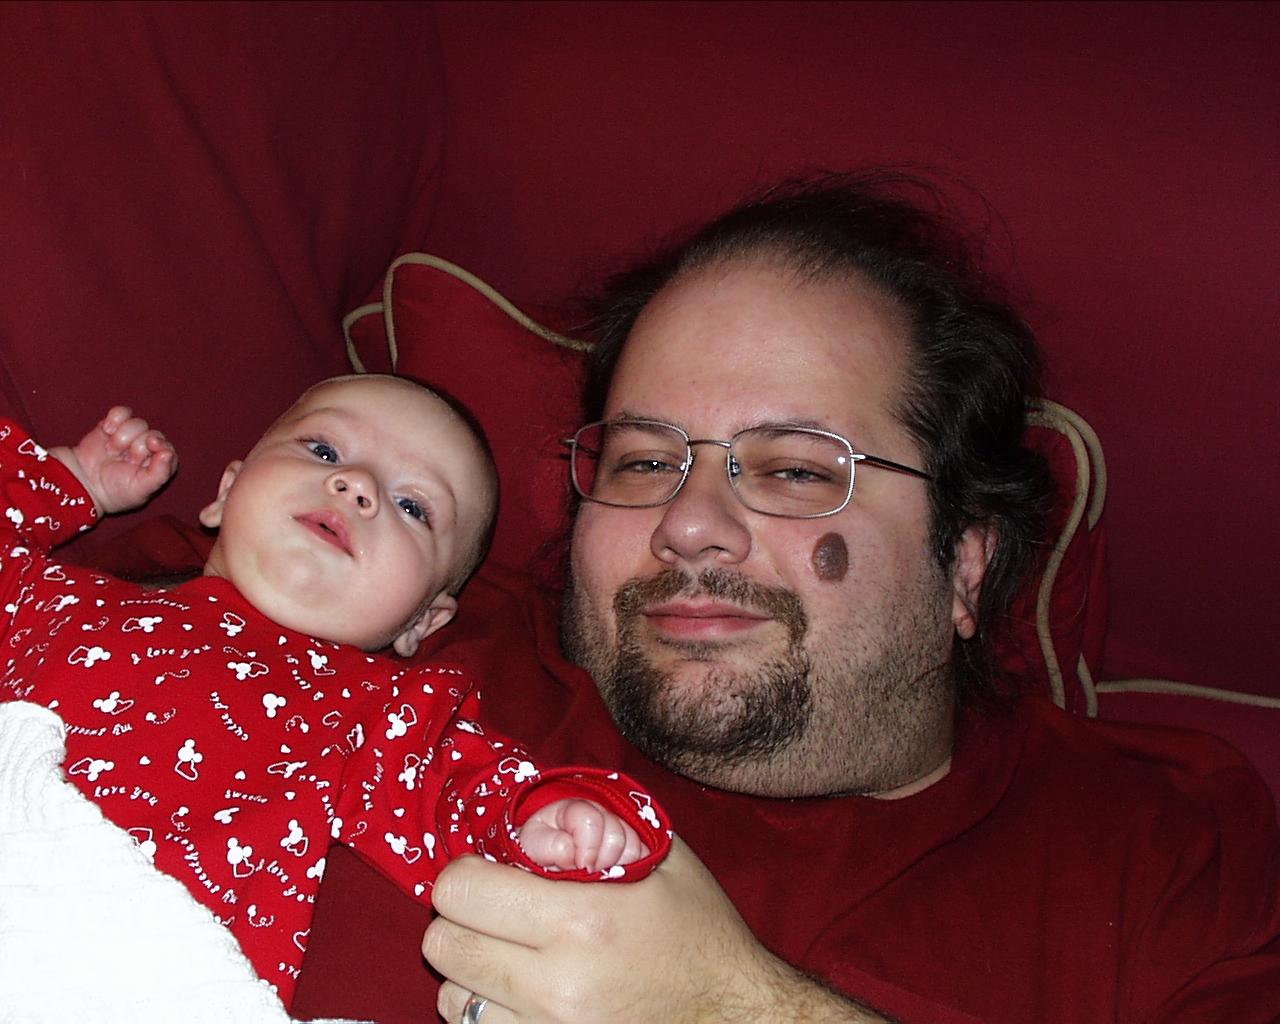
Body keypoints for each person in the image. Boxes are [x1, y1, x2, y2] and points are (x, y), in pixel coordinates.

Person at [289, 173, 1280, 1024]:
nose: (688, 524)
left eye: (798, 471)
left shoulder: (1164, 858)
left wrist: (733, 1007)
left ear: (965, 566)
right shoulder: (377, 619)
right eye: (643, 461)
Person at [0, 373, 670, 1008]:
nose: (357, 486)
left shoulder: (376, 710)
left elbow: (460, 789)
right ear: (228, 491)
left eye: (413, 507)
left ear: (422, 621)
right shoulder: (63, 600)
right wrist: (69, 478)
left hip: (130, 971)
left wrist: (541, 817)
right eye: (323, 450)